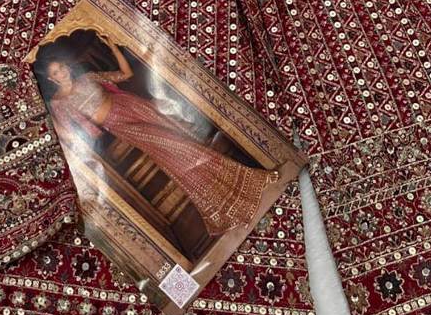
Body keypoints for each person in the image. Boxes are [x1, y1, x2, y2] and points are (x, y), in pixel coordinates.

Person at [43, 38, 275, 235]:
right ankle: (222, 203)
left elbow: (125, 74)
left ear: (67, 66)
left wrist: (114, 49)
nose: (61, 73)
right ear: (51, 79)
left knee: (183, 141)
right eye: (55, 73)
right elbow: (66, 133)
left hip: (133, 106)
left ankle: (239, 188)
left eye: (61, 67)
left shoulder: (87, 77)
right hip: (121, 126)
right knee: (175, 152)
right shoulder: (58, 103)